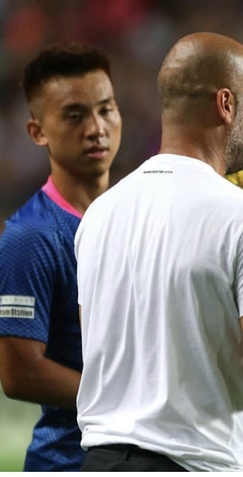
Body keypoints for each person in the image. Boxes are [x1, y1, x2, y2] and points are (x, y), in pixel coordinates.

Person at [74, 32, 243, 472]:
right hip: (191, 463)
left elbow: (99, 354)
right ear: (226, 104)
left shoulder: (98, 215)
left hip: (96, 460)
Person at [0, 43, 122, 471]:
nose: (96, 128)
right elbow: (19, 373)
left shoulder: (134, 217)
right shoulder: (31, 235)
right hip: (69, 461)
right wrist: (128, 398)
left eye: (106, 109)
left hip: (135, 455)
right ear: (38, 131)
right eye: (74, 115)